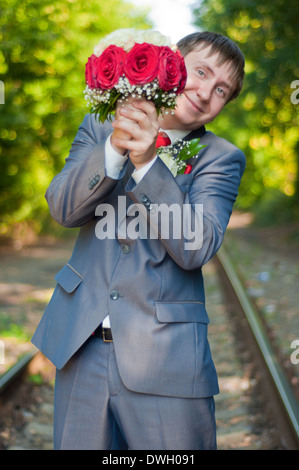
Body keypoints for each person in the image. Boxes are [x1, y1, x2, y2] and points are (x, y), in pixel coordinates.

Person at [32, 31, 246, 450]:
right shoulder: (100, 123)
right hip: (81, 346)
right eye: (200, 72)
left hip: (166, 356)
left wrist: (148, 161)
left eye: (221, 89)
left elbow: (196, 247)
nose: (204, 92)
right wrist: (115, 146)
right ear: (171, 64)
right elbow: (62, 209)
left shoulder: (221, 158)